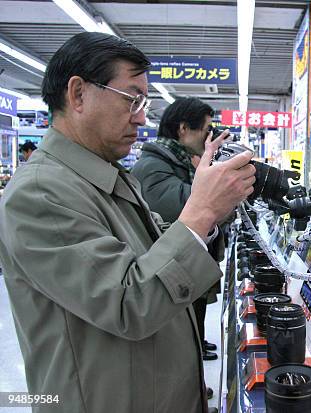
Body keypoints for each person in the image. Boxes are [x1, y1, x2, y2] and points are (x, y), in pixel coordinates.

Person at [0, 32, 256, 413]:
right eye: (131, 99)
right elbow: (128, 303)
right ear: (78, 94)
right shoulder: (41, 193)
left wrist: (212, 215)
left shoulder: (103, 176)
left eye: (144, 102)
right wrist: (200, 210)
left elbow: (148, 252)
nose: (141, 116)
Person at [131, 97, 222, 365]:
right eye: (206, 130)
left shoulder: (178, 161)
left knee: (194, 320)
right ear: (184, 129)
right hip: (169, 271)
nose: (209, 136)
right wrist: (218, 183)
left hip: (183, 265)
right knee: (179, 332)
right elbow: (179, 209)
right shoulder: (153, 166)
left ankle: (196, 357)